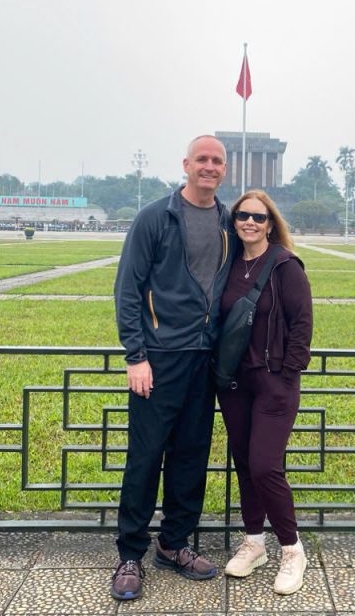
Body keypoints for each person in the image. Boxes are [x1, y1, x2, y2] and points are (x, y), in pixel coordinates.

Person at [110, 134, 235, 601]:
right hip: (158, 360)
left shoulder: (228, 221)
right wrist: (135, 355)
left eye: (216, 161)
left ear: (224, 169)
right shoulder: (155, 218)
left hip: (205, 359)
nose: (209, 166)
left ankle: (174, 543)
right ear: (186, 164)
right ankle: (130, 554)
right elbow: (128, 289)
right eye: (202, 159)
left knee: (191, 456)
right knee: (145, 457)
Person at [217, 190, 313, 595]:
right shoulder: (228, 265)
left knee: (264, 466)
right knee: (244, 463)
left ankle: (292, 549)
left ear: (271, 223)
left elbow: (302, 325)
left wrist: (288, 375)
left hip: (274, 382)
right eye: (243, 216)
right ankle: (254, 542)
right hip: (235, 383)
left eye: (258, 217)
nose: (250, 223)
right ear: (234, 221)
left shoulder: (285, 266)